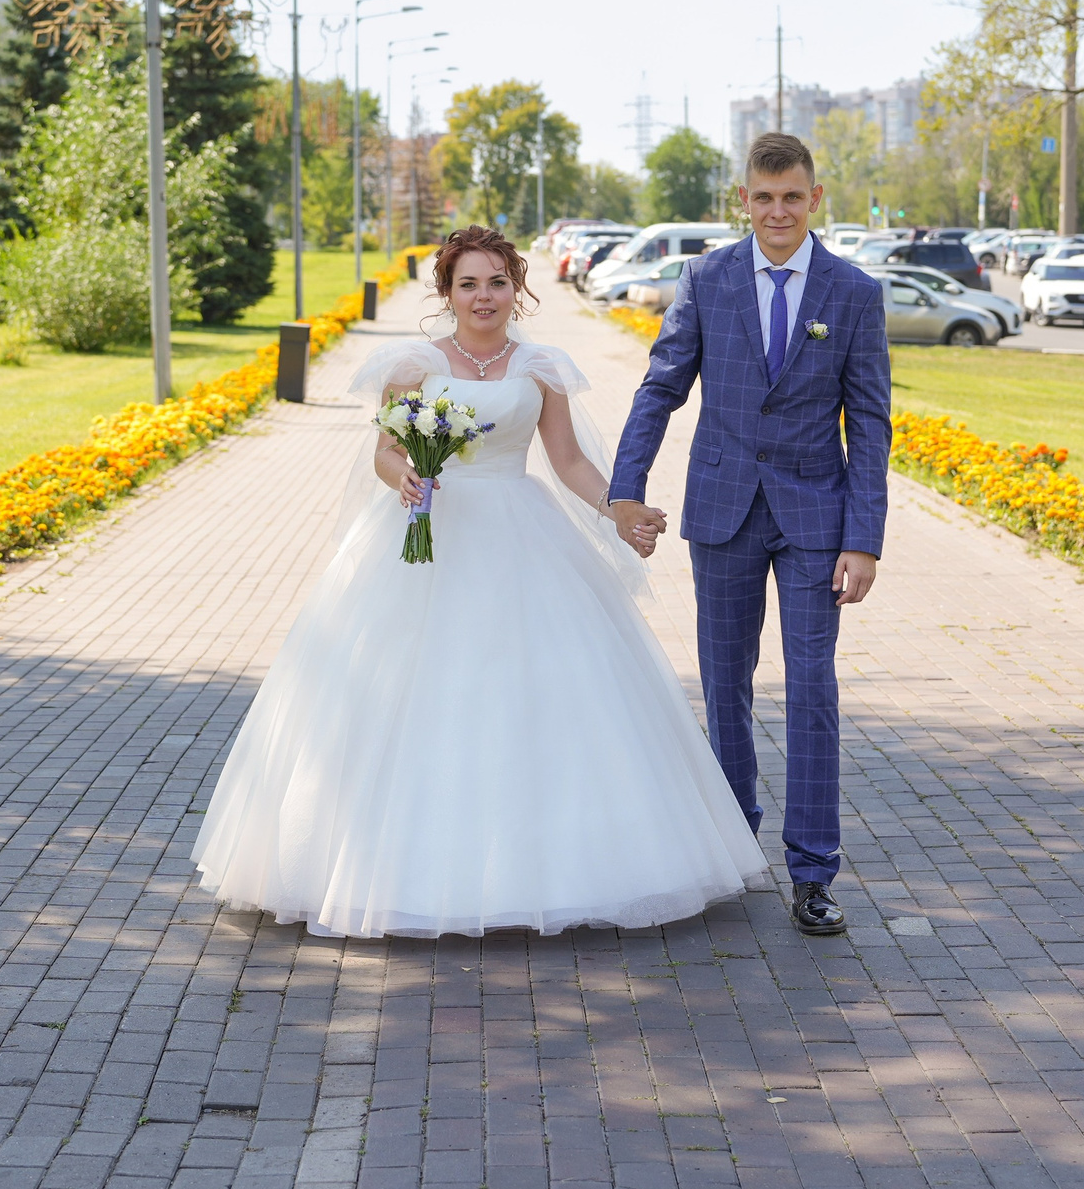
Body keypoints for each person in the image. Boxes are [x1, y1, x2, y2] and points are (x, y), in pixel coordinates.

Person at [193, 226, 765, 939]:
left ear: (516, 286)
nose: (484, 296)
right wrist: (402, 475)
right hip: (426, 540)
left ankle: (556, 868)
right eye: (469, 283)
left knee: (542, 691)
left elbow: (568, 461)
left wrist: (618, 509)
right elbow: (386, 448)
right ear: (447, 291)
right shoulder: (413, 364)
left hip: (522, 532)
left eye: (497, 281)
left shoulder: (543, 366)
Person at [606, 133, 891, 936]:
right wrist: (626, 489)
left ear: (814, 198)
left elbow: (869, 424)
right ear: (745, 200)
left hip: (815, 520)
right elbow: (661, 385)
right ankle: (731, 850)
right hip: (724, 509)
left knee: (812, 687)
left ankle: (813, 872)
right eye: (763, 198)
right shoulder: (706, 279)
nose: (777, 211)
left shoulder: (853, 293)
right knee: (724, 687)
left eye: (791, 197)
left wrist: (863, 538)